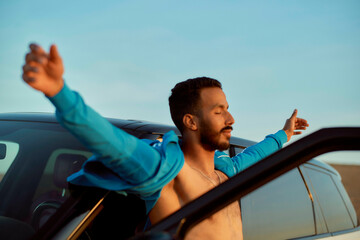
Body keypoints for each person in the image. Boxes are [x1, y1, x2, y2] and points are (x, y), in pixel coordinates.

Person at [22, 43, 309, 240]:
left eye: (228, 108)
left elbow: (256, 155)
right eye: (219, 111)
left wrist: (283, 133)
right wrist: (60, 93)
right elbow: (115, 145)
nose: (231, 118)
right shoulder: (168, 175)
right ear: (191, 122)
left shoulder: (224, 172)